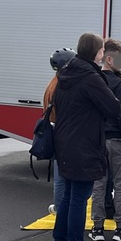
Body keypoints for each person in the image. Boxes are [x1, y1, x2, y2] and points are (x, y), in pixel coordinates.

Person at [51, 33, 121, 241]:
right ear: (97, 52)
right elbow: (113, 107)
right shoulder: (91, 77)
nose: (103, 54)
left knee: (68, 197)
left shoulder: (65, 75)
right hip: (85, 144)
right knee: (79, 198)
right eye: (102, 50)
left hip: (65, 142)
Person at [89, 39, 121, 241]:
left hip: (98, 139)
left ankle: (97, 228)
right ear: (109, 58)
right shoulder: (118, 83)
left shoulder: (94, 81)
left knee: (99, 184)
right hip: (117, 138)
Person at [43, 47, 75, 215]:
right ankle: (61, 209)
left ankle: (59, 207)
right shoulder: (62, 85)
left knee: (60, 175)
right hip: (62, 132)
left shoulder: (53, 82)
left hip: (55, 130)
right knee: (62, 177)